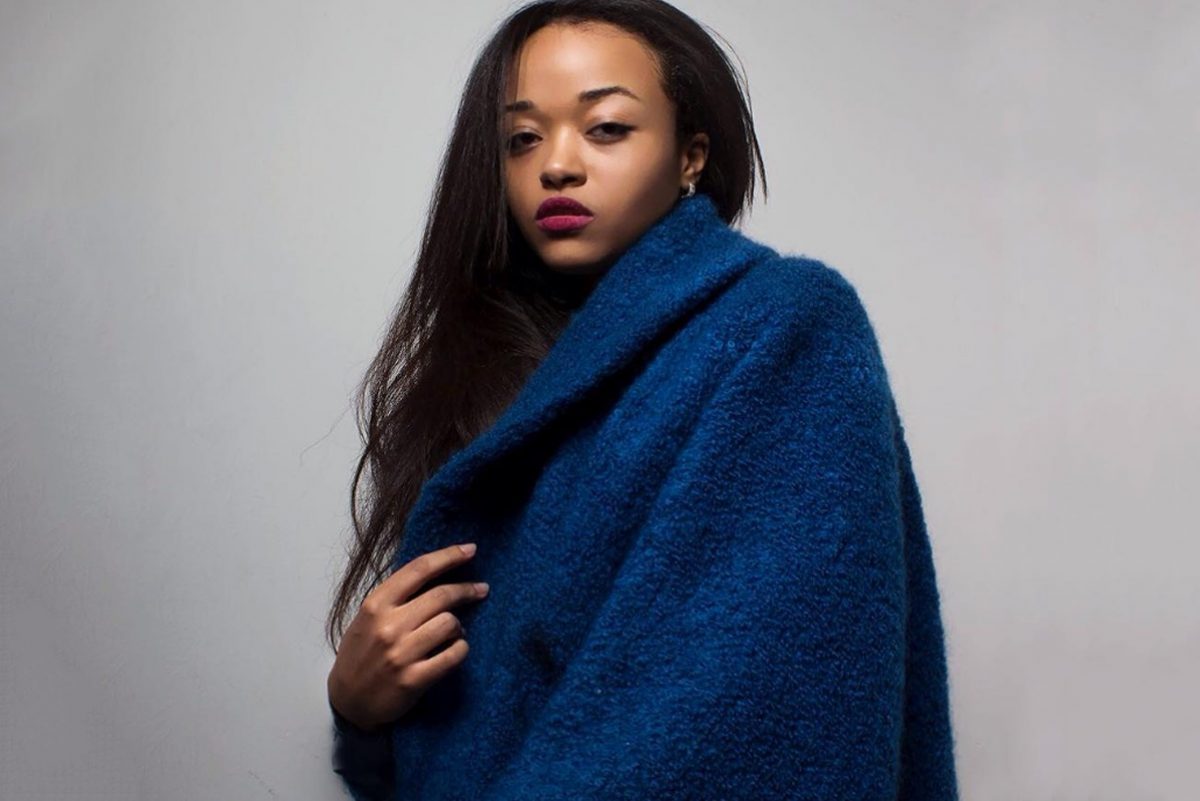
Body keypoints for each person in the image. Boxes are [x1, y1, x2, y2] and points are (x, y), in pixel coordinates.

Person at [325, 1, 960, 799]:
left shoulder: (787, 324)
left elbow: (746, 700)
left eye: (606, 128)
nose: (557, 165)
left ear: (691, 154)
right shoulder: (498, 379)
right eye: (523, 138)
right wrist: (359, 710)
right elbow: (469, 723)